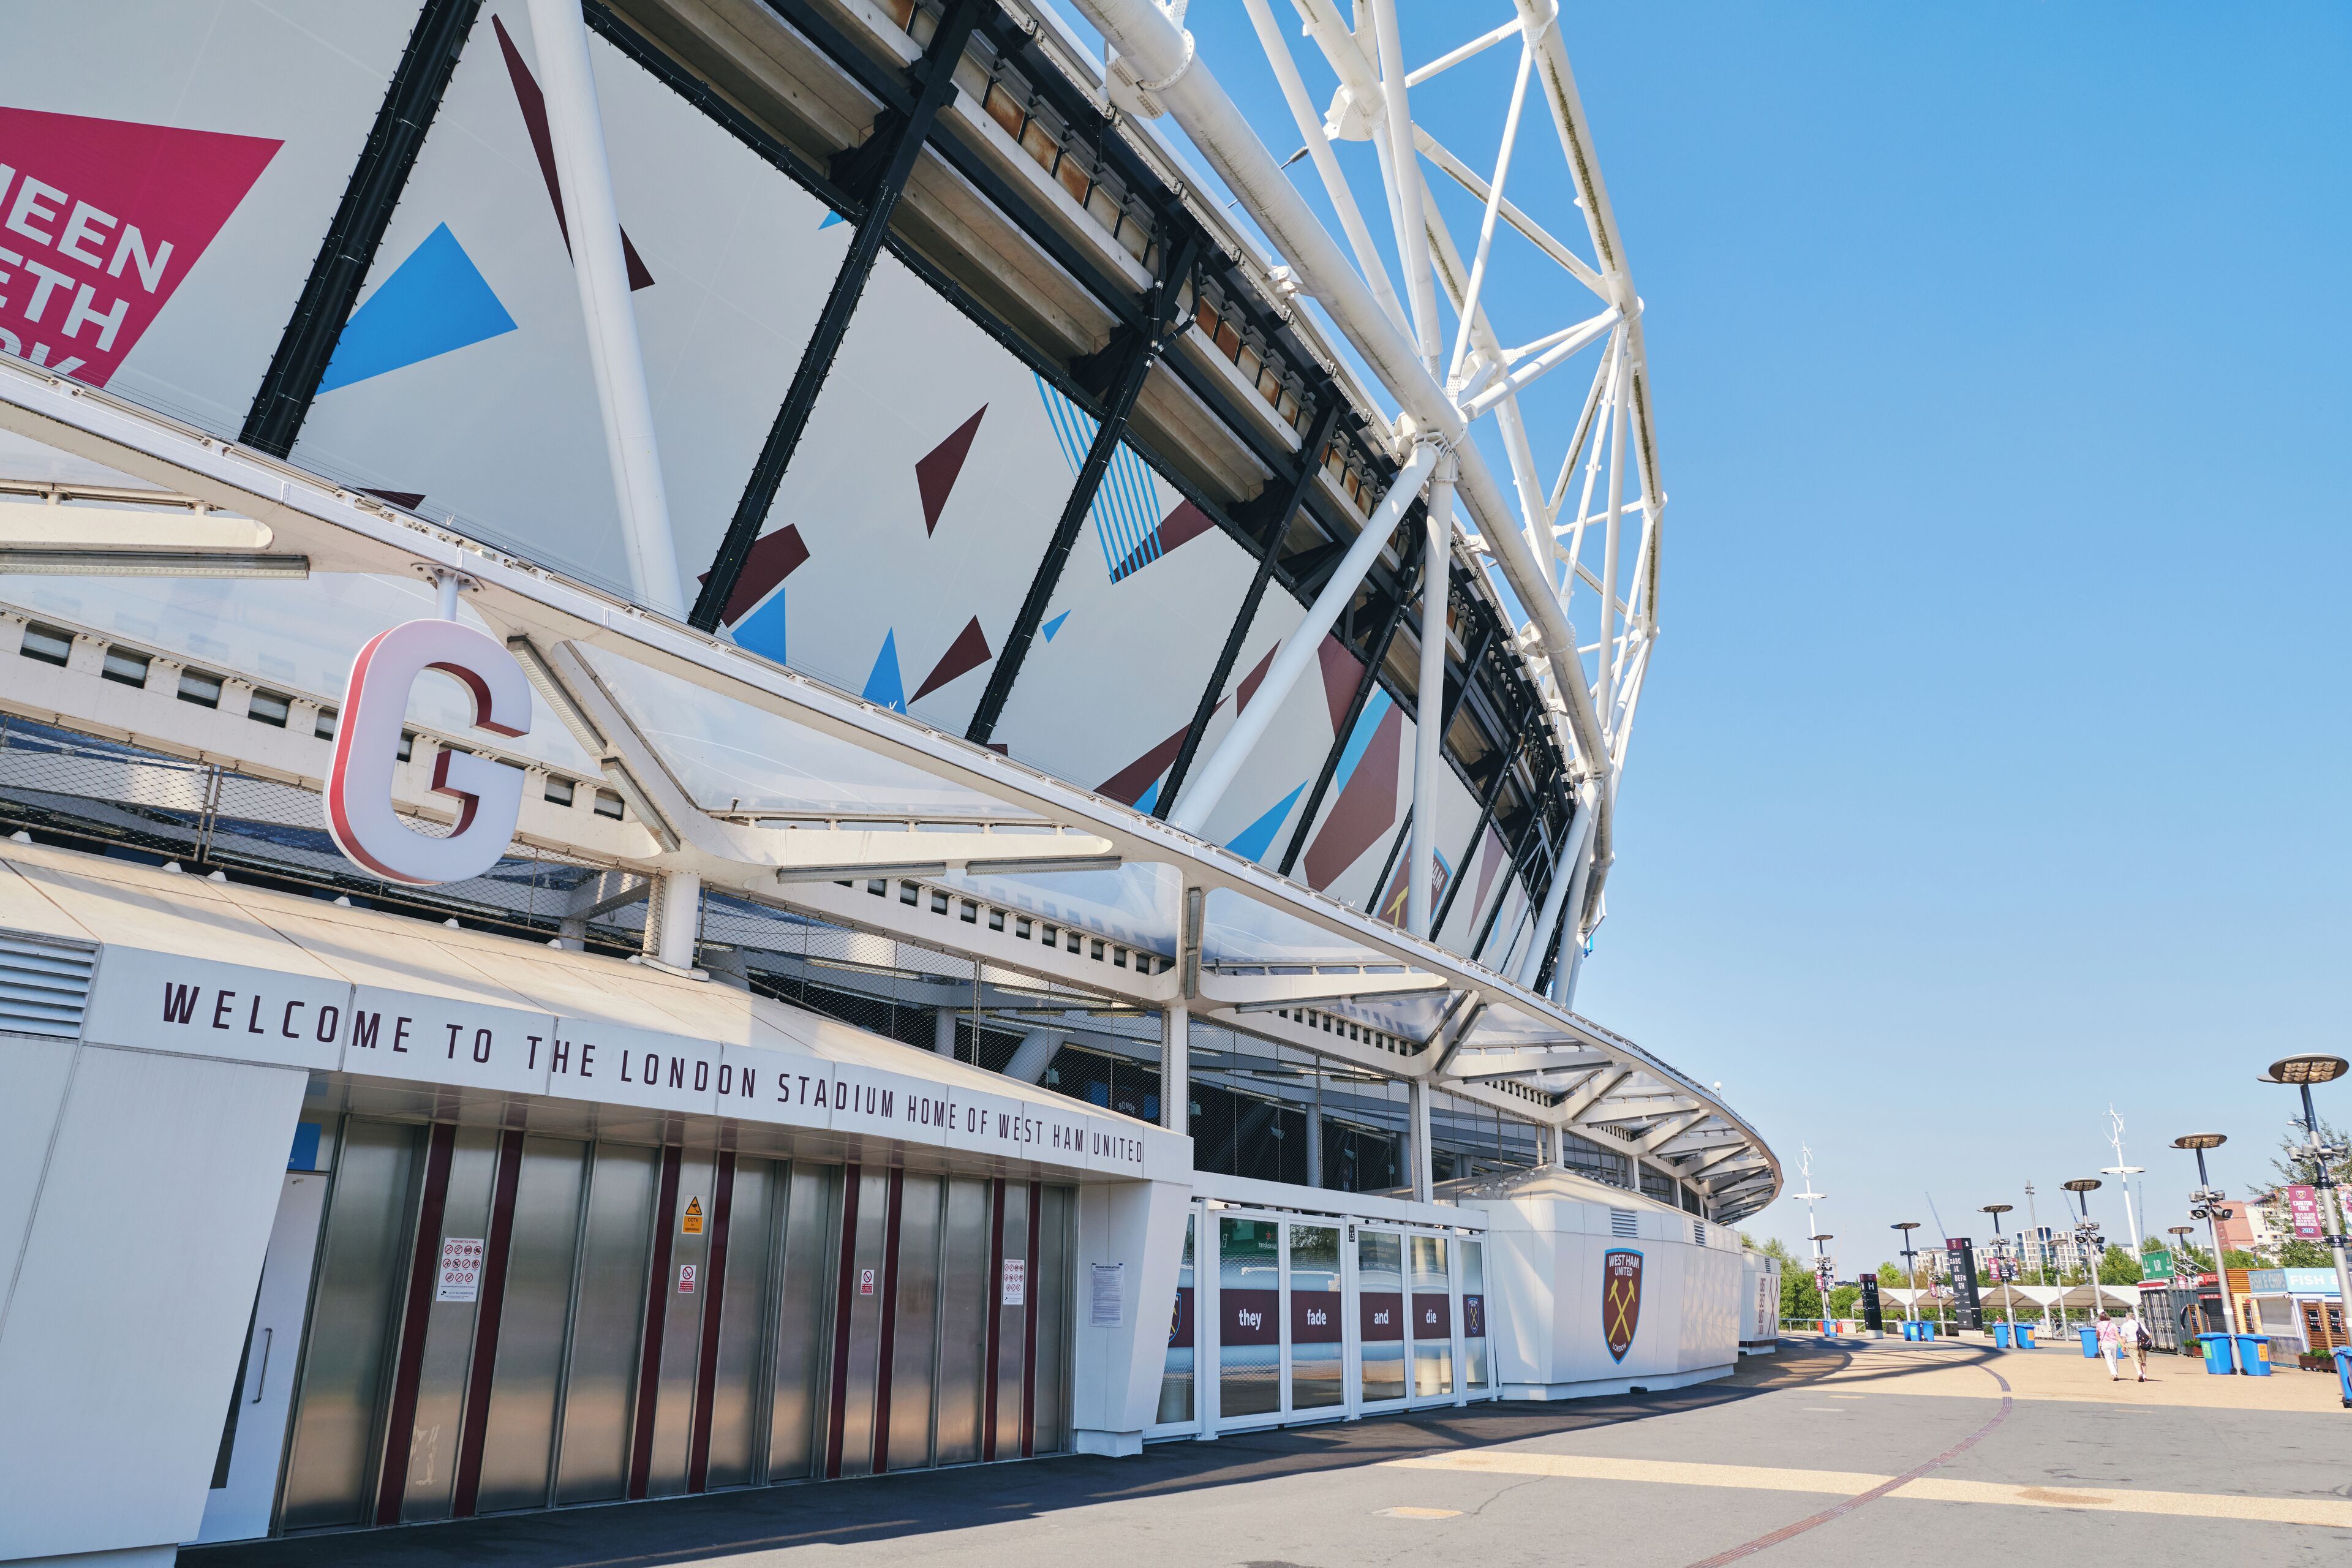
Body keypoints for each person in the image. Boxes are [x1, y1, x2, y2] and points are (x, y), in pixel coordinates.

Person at [2094, 1310, 2123, 1379]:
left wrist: (2099, 1338)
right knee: (2114, 1359)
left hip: (2105, 1343)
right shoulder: (2113, 1325)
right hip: (2114, 1343)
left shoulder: (2099, 1325)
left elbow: (2097, 1334)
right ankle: (2116, 1373)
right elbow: (2117, 1336)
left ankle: (2114, 1374)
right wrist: (2123, 1345)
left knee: (2109, 1359)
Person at [2129, 1313, 2151, 1382]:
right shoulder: (2140, 1325)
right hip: (2142, 1344)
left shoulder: (2126, 1325)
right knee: (2143, 1361)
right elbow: (2148, 1335)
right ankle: (2144, 1376)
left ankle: (2140, 1373)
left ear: (2128, 1318)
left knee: (2136, 1360)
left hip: (2132, 1343)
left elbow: (2124, 1337)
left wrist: (2123, 1346)